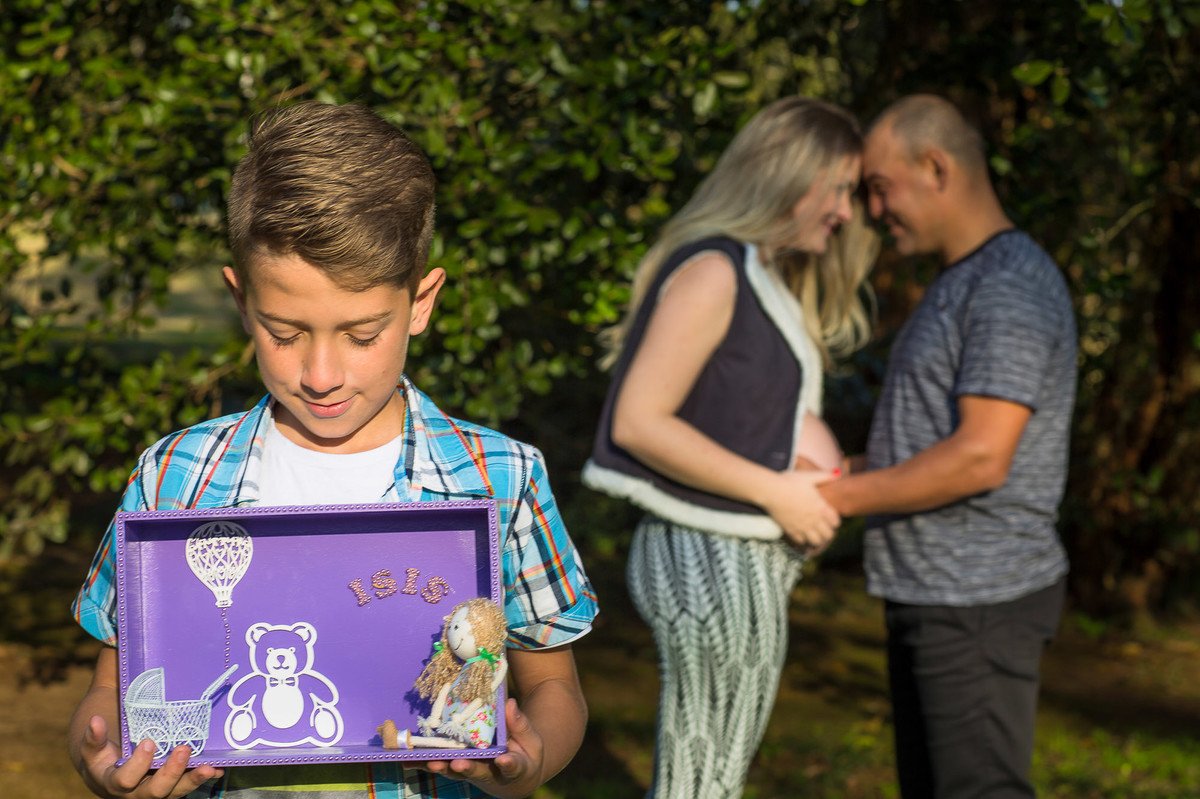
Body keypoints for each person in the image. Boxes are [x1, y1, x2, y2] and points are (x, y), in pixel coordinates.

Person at [67, 101, 598, 799]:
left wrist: (528, 764)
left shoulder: (500, 477)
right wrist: (106, 765)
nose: (321, 375)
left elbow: (554, 683)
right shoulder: (173, 477)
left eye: (362, 334)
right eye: (284, 333)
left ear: (421, 302)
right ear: (241, 302)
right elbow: (110, 689)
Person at [582, 96, 878, 798]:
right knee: (701, 778)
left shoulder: (760, 275)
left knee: (713, 773)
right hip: (707, 555)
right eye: (838, 188)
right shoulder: (717, 270)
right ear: (788, 175)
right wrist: (778, 490)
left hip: (734, 557)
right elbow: (639, 421)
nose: (846, 211)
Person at [818, 94, 1078, 798]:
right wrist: (827, 474)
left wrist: (834, 497)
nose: (874, 210)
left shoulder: (1008, 285)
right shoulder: (963, 282)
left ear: (936, 167)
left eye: (880, 187)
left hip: (979, 598)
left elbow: (980, 456)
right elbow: (925, 447)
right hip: (938, 594)